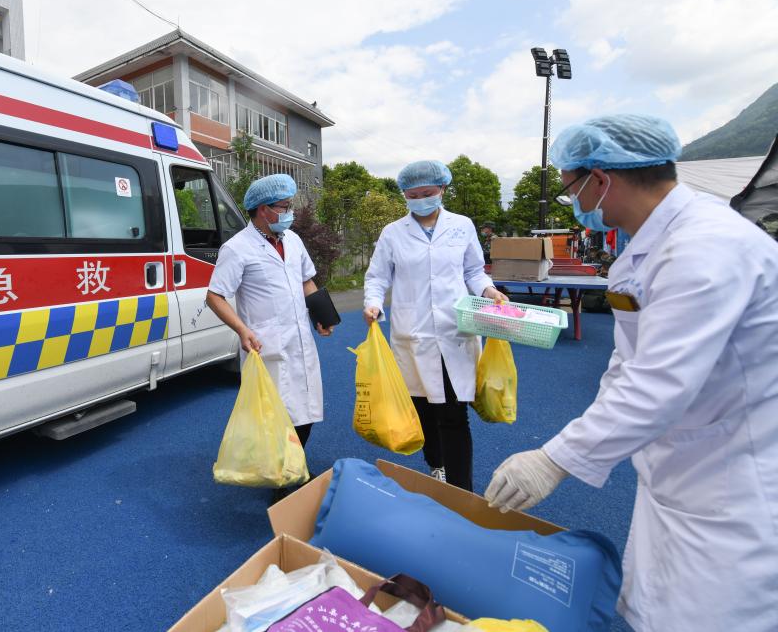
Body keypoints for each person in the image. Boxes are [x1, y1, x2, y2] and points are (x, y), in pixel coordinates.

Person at [483, 114, 778, 632]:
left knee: (713, 616)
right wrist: (585, 435)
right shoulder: (647, 247)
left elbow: (659, 383)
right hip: (683, 466)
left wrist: (555, 459)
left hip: (736, 479)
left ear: (600, 179)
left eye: (571, 188)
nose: (573, 203)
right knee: (661, 605)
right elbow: (627, 366)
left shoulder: (706, 249)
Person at [363, 160, 508, 491]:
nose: (420, 200)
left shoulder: (462, 226)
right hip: (413, 333)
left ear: (442, 189)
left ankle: (462, 490)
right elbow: (378, 276)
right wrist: (372, 302)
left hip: (455, 330)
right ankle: (436, 465)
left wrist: (488, 290)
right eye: (412, 195)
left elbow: (473, 271)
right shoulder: (393, 233)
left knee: (454, 414)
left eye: (427, 193)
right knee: (424, 408)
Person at [206, 173, 334, 457]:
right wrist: (242, 330)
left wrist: (321, 315)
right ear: (264, 209)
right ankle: (281, 471)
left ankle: (293, 465)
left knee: (307, 410)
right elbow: (215, 296)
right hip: (266, 344)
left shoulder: (293, 240)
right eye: (285, 206)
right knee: (274, 416)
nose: (290, 212)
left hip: (300, 340)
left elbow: (306, 280)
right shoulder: (237, 248)